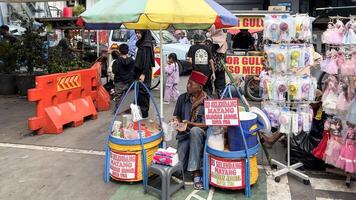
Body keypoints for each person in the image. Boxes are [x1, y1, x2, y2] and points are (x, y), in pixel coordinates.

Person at [171, 70, 209, 190]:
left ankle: (196, 171)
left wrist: (191, 124)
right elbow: (177, 115)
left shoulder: (208, 101)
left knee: (195, 131)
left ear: (199, 87)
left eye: (190, 84)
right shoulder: (182, 98)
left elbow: (208, 124)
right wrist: (176, 122)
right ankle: (188, 164)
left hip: (200, 134)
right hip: (184, 135)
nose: (187, 86)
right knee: (178, 170)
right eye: (187, 83)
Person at [134, 30, 155, 118]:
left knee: (144, 92)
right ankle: (139, 113)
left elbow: (147, 61)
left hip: (144, 72)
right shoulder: (141, 43)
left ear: (144, 33)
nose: (137, 35)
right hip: (140, 72)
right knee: (139, 92)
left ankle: (144, 114)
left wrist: (143, 74)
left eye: (139, 33)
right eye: (136, 33)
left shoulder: (146, 45)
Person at [112, 44, 135, 111]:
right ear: (127, 51)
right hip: (129, 82)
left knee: (118, 96)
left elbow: (114, 71)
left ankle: (118, 109)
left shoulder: (117, 61)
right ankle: (127, 109)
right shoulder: (132, 61)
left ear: (119, 51)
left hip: (119, 82)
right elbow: (134, 70)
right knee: (128, 96)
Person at [206, 25, 228, 97]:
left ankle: (208, 99)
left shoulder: (210, 41)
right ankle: (220, 100)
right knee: (220, 85)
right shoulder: (223, 39)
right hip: (220, 67)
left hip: (210, 67)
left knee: (208, 84)